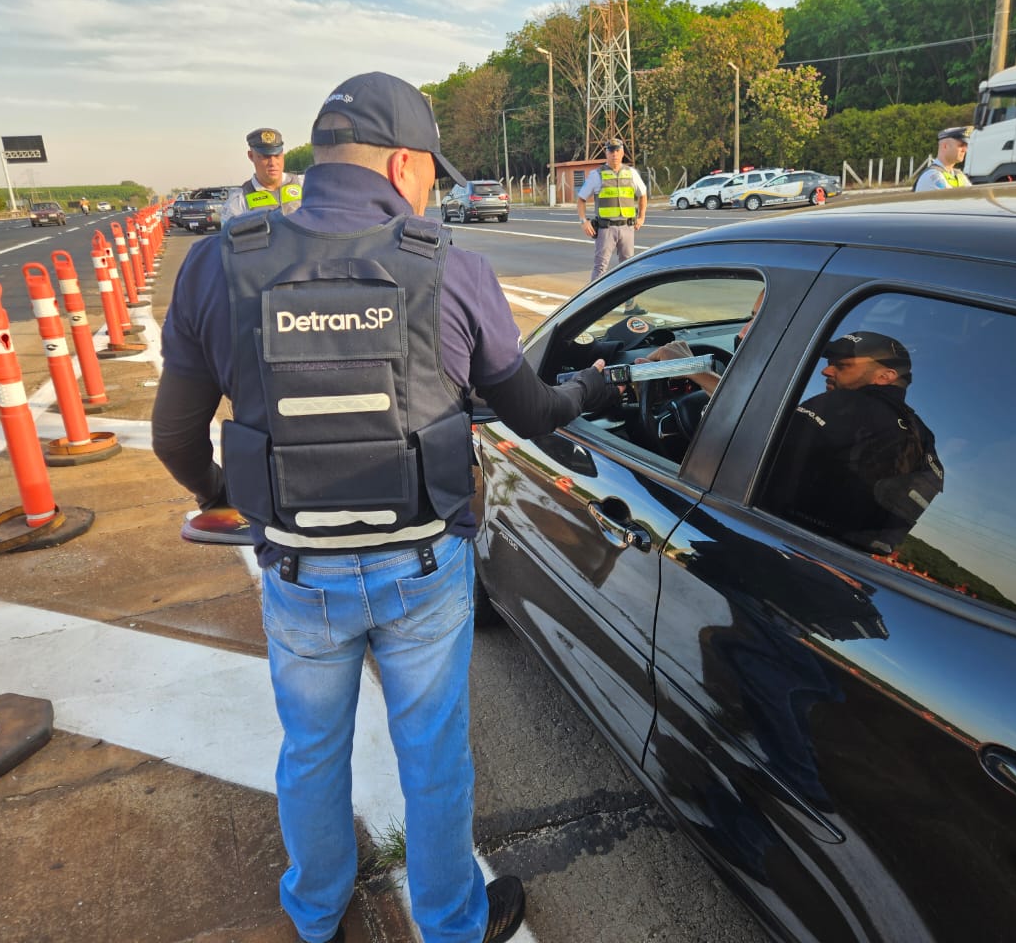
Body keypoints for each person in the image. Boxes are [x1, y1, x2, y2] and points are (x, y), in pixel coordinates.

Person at [152, 71, 615, 943]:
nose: (435, 188)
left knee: (312, 752)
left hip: (296, 567)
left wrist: (232, 497)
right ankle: (450, 922)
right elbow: (535, 414)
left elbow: (175, 437)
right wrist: (593, 382)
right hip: (421, 571)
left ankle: (317, 914)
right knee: (433, 761)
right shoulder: (452, 267)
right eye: (432, 171)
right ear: (402, 164)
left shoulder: (221, 263)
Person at [763, 331, 944, 555]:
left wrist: (704, 366)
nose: (826, 370)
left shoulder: (842, 406)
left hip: (779, 541)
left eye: (843, 365)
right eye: (830, 363)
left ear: (884, 377)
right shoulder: (923, 439)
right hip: (848, 562)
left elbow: (750, 440)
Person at [576, 139, 648, 306]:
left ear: (622, 152)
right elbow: (581, 200)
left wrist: (642, 217)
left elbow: (643, 195)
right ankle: (593, 305)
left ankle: (630, 305)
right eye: (611, 151)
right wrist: (583, 221)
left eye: (617, 150)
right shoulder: (597, 175)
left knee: (628, 267)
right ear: (606, 153)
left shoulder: (631, 173)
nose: (614, 154)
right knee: (601, 267)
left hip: (627, 227)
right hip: (606, 228)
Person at [220, 127, 305, 222]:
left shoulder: (305, 185)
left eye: (277, 156)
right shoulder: (238, 202)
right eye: (266, 157)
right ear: (251, 156)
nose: (273, 163)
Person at [913, 126, 971, 191]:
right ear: (945, 146)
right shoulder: (932, 176)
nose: (965, 150)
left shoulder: (959, 175)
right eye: (961, 145)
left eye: (966, 146)